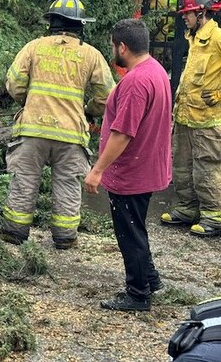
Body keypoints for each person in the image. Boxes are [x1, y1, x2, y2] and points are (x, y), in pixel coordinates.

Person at [0, 0, 115, 249]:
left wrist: (28, 103)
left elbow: (14, 83)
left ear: (50, 22)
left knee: (25, 180)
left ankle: (14, 233)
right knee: (67, 184)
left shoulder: (33, 47)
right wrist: (87, 111)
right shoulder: (91, 55)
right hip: (71, 133)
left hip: (32, 130)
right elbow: (108, 96)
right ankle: (65, 238)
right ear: (80, 25)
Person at [84, 19, 172, 312]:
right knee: (137, 227)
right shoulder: (156, 71)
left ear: (122, 47)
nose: (112, 50)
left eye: (113, 45)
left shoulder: (135, 82)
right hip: (147, 167)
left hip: (131, 172)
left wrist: (97, 170)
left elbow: (123, 133)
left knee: (129, 232)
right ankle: (150, 278)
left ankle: (137, 294)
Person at [160, 0, 221, 236]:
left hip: (208, 119)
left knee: (207, 167)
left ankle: (214, 215)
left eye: (188, 12)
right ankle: (186, 208)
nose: (184, 17)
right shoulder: (195, 39)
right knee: (183, 165)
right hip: (186, 116)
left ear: (203, 13)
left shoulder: (217, 37)